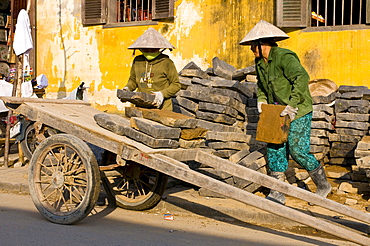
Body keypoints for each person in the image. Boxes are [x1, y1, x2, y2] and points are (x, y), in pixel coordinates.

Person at [239, 20, 332, 205]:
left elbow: (301, 77)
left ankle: (323, 185)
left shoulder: (284, 57)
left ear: (262, 43)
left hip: (298, 109)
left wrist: (292, 104)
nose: (251, 50)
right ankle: (277, 190)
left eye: (252, 46)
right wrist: (262, 101)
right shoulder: (260, 63)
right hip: (277, 111)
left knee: (298, 150)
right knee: (274, 147)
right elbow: (262, 86)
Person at [124, 27, 181, 111]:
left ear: (159, 48)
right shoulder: (137, 61)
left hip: (162, 107)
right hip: (141, 106)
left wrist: (161, 94)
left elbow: (176, 85)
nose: (149, 51)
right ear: (141, 48)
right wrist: (127, 89)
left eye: (153, 49)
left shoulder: (167, 63)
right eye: (146, 49)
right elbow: (133, 80)